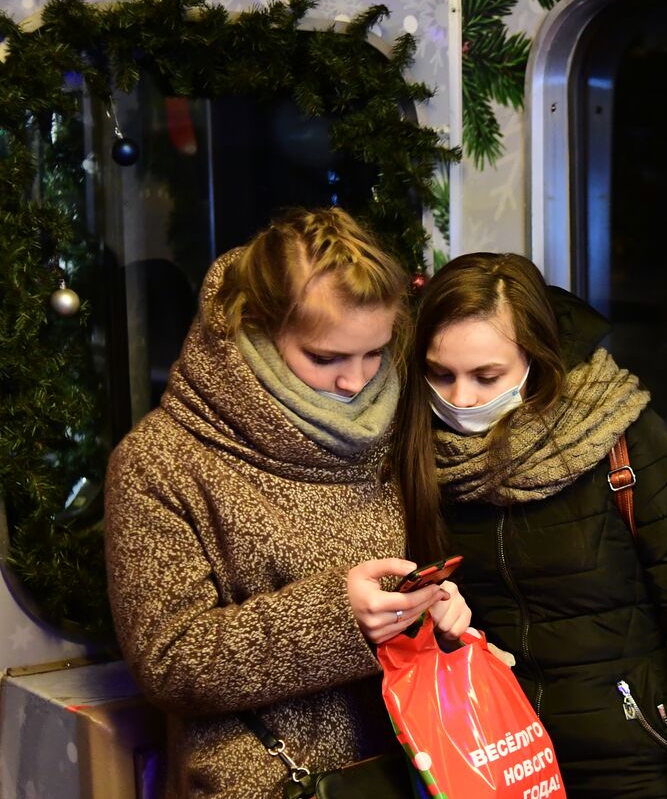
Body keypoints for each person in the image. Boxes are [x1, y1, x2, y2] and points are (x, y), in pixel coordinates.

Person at [105, 208, 471, 798]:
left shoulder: (394, 423)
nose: (356, 383)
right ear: (252, 329)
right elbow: (170, 664)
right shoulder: (161, 461)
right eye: (325, 359)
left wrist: (432, 617)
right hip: (271, 782)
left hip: (409, 769)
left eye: (375, 353)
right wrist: (336, 617)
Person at [393, 252, 667, 799]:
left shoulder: (617, 440)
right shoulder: (419, 453)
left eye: (488, 376)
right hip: (500, 768)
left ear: (538, 358)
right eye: (440, 374)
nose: (460, 399)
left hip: (634, 769)